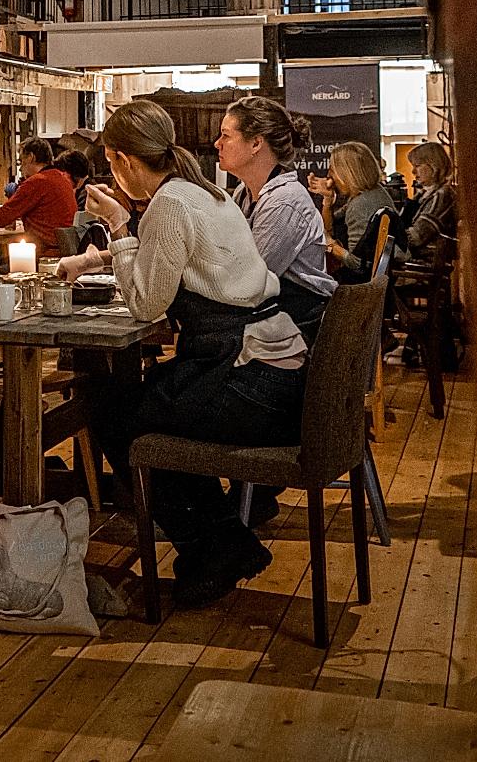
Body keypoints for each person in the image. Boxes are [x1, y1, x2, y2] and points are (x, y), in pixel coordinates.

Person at [59, 100, 308, 609]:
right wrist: (113, 246)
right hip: (273, 371)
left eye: (111, 162)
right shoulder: (203, 192)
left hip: (249, 380)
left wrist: (120, 225)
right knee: (137, 404)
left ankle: (215, 547)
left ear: (123, 161)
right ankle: (220, 544)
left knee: (113, 412)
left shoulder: (171, 203)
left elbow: (145, 303)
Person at [215, 96, 337, 342]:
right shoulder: (244, 192)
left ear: (256, 143)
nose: (217, 144)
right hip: (269, 318)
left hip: (298, 328)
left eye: (226, 136)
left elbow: (249, 281)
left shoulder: (284, 201)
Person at [0, 137, 78, 258]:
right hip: (66, 252)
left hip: (45, 254)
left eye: (21, 161)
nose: (20, 168)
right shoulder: (62, 179)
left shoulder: (37, 182)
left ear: (30, 157)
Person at [311, 140, 398, 281]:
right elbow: (332, 225)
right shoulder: (375, 192)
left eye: (332, 170)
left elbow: (357, 264)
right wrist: (328, 199)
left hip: (361, 284)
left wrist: (329, 243)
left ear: (346, 172)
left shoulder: (361, 204)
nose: (329, 175)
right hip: (380, 280)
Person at [404, 140, 458, 250]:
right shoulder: (423, 195)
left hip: (427, 258)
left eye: (417, 166)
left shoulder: (442, 196)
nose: (413, 171)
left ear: (434, 166)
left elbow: (417, 237)